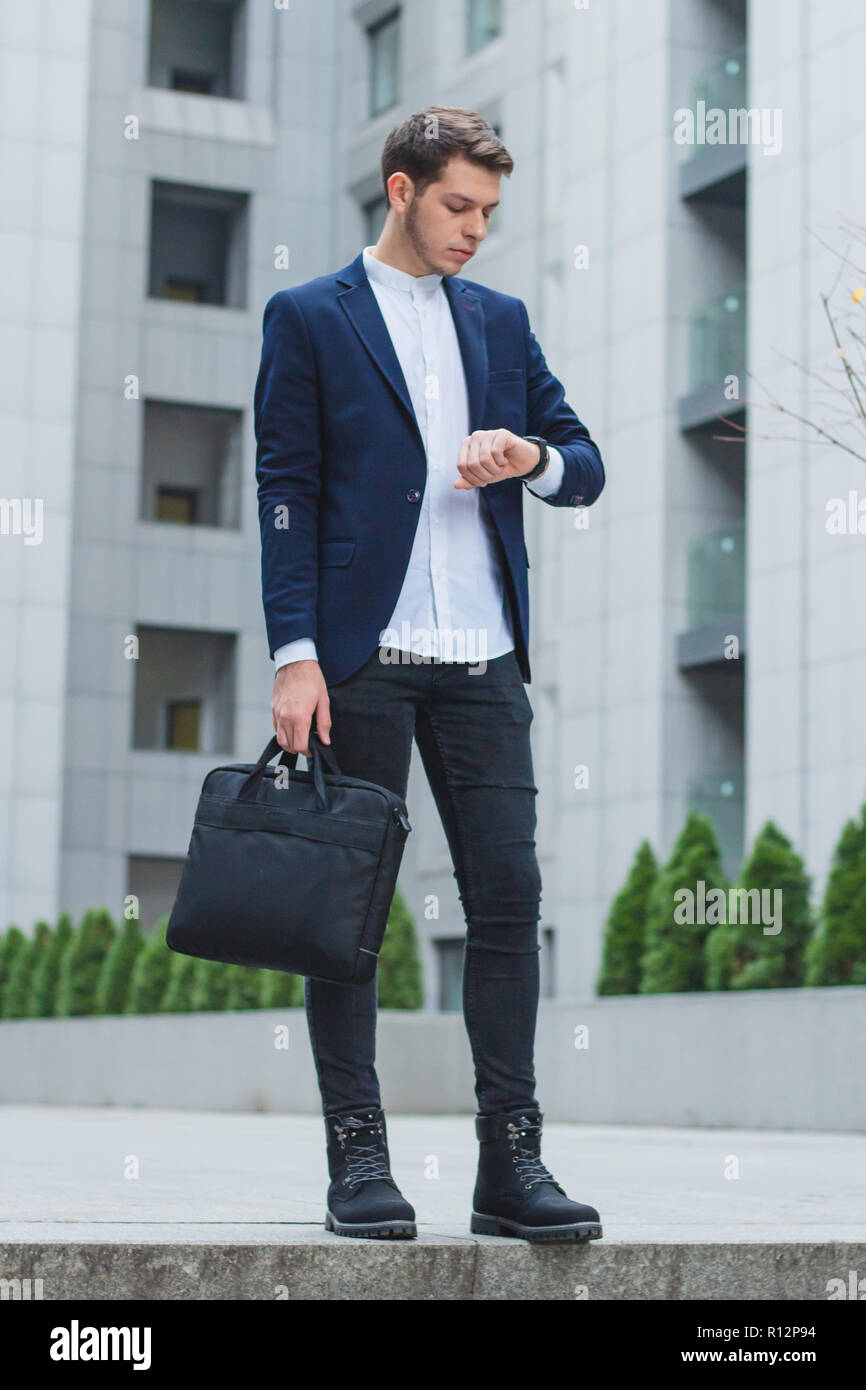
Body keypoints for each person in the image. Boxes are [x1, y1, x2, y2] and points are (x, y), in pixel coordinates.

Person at [254, 106, 604, 1244]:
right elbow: (285, 490)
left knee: (509, 901)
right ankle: (356, 1157)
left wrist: (532, 457)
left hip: (483, 661)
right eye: (459, 205)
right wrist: (294, 654)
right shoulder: (308, 316)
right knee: (344, 916)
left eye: (490, 212)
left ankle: (512, 1163)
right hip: (359, 662)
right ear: (400, 192)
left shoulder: (499, 323)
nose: (476, 230)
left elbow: (583, 460)